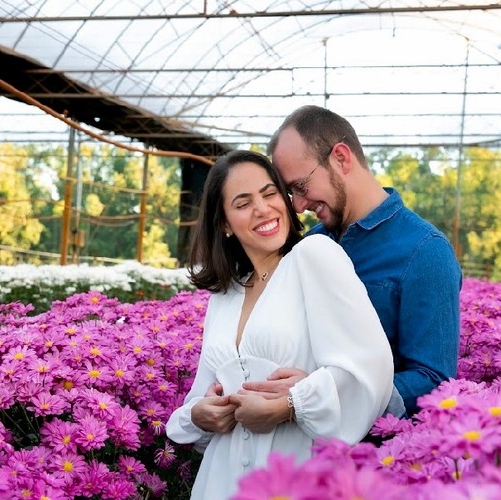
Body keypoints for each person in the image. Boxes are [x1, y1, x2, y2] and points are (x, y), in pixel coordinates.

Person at [165, 150, 394, 500]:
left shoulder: (314, 256)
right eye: (243, 203)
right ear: (224, 223)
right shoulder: (224, 294)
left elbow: (370, 365)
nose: (262, 209)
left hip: (292, 475)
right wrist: (199, 414)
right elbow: (203, 393)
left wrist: (290, 405)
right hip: (219, 481)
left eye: (270, 193)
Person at [243, 105, 462, 416]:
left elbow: (433, 380)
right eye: (291, 193)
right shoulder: (310, 244)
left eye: (300, 187)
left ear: (341, 158)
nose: (299, 206)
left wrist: (321, 395)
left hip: (368, 443)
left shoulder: (425, 251)